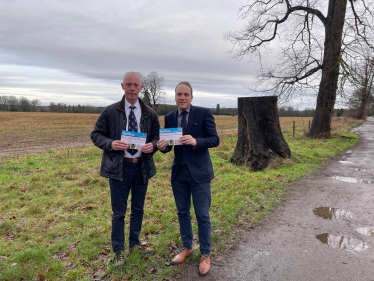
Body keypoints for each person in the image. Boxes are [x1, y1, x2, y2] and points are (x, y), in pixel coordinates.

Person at [91, 72, 160, 269]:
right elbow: (96, 134)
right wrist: (111, 143)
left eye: (135, 85)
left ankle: (135, 244)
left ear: (141, 88)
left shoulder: (150, 113)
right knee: (119, 212)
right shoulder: (110, 112)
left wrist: (152, 146)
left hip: (141, 168)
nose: (131, 88)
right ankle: (118, 251)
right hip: (119, 169)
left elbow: (156, 136)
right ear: (122, 86)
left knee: (138, 209)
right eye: (128, 84)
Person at [156, 81, 219, 276]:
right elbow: (169, 146)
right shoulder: (169, 117)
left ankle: (205, 254)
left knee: (202, 215)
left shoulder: (203, 113)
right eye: (179, 94)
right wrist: (162, 146)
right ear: (175, 97)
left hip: (199, 174)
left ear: (191, 97)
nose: (182, 97)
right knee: (182, 212)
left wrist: (196, 141)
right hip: (179, 173)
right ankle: (187, 247)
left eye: (186, 94)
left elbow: (214, 139)